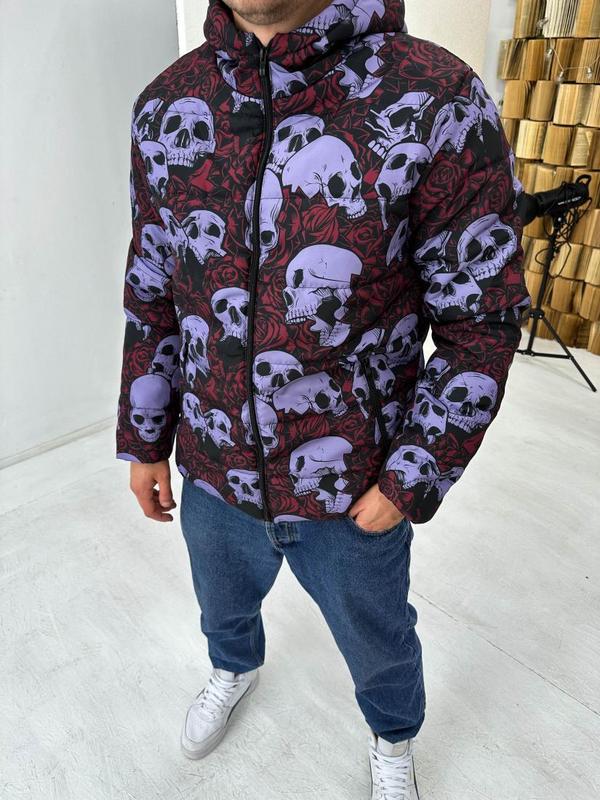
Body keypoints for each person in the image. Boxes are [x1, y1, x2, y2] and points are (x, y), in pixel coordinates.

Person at [115, 1, 531, 797]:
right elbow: (153, 289)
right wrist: (145, 434)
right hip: (212, 467)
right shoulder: (169, 105)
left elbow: (482, 317)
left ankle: (393, 737)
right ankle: (233, 668)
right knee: (222, 606)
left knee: (378, 642)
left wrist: (412, 476)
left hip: (354, 485)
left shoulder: (434, 97)